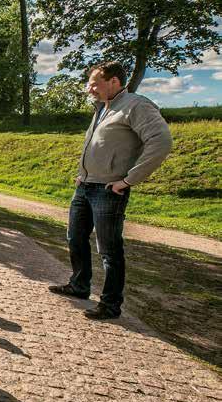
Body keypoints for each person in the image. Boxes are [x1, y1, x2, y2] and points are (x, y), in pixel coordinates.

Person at [49, 61, 173, 320]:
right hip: (85, 186)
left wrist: (128, 180)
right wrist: (83, 174)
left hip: (109, 190)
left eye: (95, 83)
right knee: (75, 238)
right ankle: (79, 285)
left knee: (109, 250)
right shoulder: (103, 108)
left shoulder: (136, 106)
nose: (89, 88)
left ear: (114, 81)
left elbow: (161, 142)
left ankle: (110, 304)